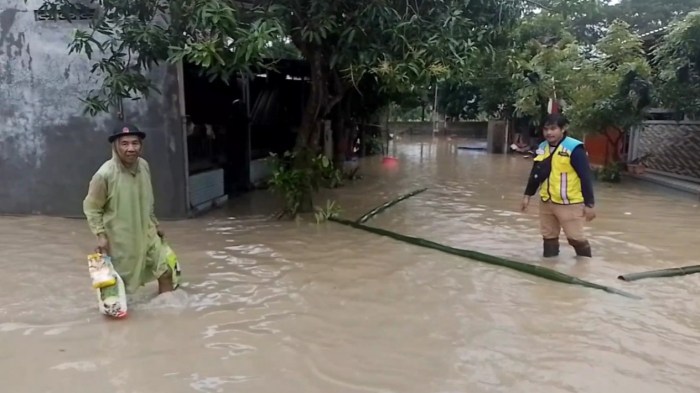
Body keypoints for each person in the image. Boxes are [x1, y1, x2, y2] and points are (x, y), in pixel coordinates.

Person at [83, 124, 178, 294]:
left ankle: (168, 310)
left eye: (135, 143)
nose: (131, 149)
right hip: (121, 239)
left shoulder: (144, 166)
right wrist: (101, 235)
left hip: (147, 232)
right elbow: (92, 208)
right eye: (125, 144)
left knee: (166, 269)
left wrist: (155, 225)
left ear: (141, 146)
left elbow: (148, 200)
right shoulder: (104, 175)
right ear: (115, 146)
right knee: (121, 285)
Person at [520, 114, 597, 258]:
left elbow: (585, 177)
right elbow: (536, 172)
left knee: (576, 239)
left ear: (563, 129)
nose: (549, 133)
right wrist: (527, 195)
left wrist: (589, 204)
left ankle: (585, 266)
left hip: (569, 203)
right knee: (548, 237)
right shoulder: (542, 147)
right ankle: (550, 265)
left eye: (553, 128)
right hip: (546, 202)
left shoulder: (574, 148)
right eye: (546, 129)